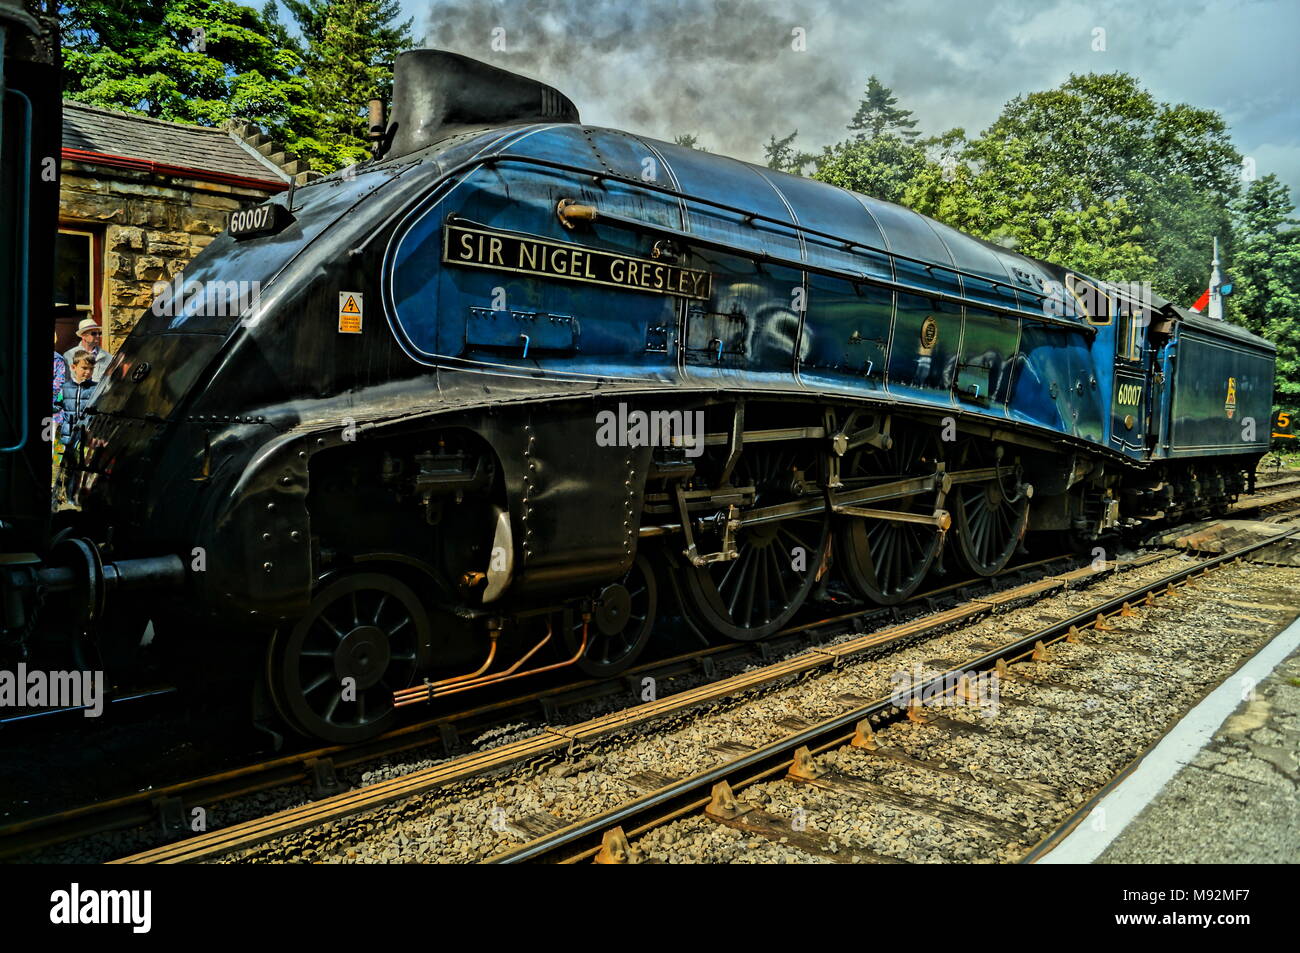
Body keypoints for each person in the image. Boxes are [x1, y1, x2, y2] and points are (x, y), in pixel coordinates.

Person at [55, 350, 97, 505]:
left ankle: (76, 500)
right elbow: (56, 406)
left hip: (85, 437)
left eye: (91, 369)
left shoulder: (95, 389)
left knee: (81, 470)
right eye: (84, 368)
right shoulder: (65, 388)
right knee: (62, 468)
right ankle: (59, 499)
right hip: (66, 435)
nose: (88, 372)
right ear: (73, 367)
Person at [62, 318, 113, 383]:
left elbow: (110, 381)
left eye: (99, 333)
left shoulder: (108, 357)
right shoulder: (69, 355)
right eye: (94, 333)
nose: (98, 336)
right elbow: (65, 381)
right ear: (83, 336)